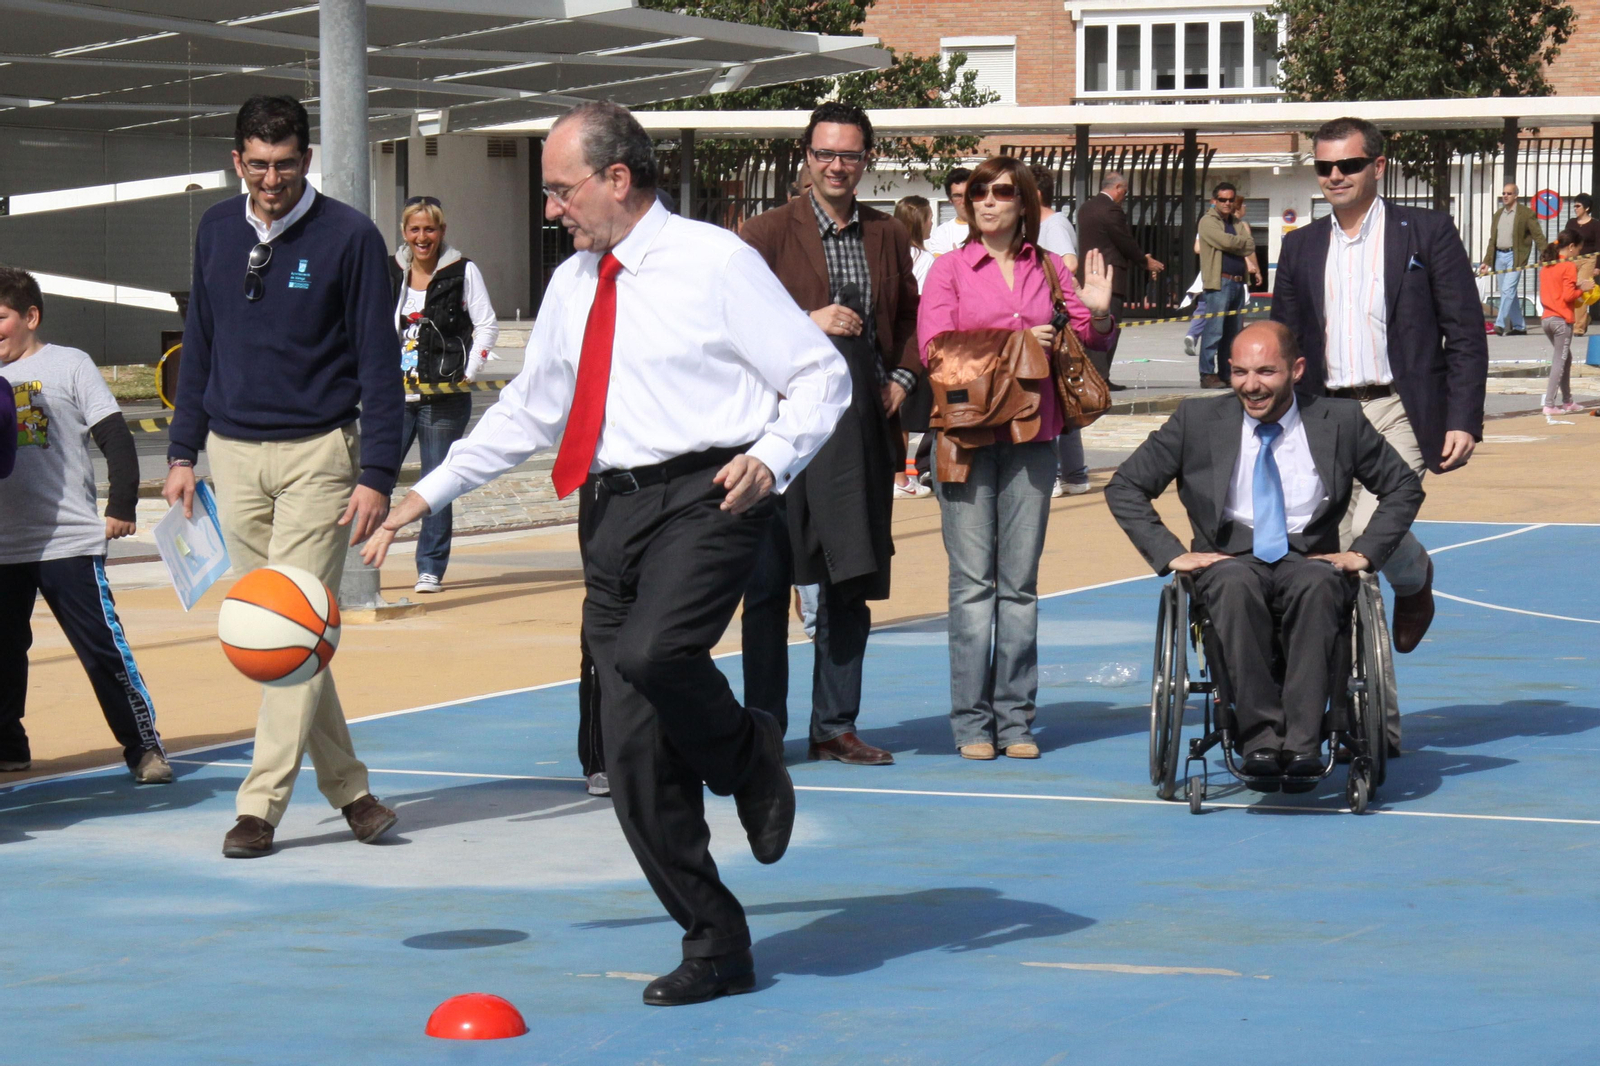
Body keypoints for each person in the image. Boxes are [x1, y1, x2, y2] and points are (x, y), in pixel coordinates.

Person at [363, 101, 849, 1006]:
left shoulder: (715, 261)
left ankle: (750, 757)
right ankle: (716, 939)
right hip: (612, 511)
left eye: (560, 189)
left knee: (656, 651)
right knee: (628, 755)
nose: (553, 209)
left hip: (712, 494)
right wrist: (423, 495)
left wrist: (773, 458)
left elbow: (819, 374)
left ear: (616, 179)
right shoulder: (576, 284)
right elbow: (530, 413)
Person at [163, 95, 403, 858]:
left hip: (319, 459)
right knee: (288, 634)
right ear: (237, 161)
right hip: (232, 458)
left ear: (307, 160)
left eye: (287, 164)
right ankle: (353, 793)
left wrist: (377, 473)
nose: (272, 180)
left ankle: (258, 806)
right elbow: (198, 344)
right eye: (259, 165)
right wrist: (180, 452)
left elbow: (378, 363)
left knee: (287, 626)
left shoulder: (350, 238)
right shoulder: (214, 230)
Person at [1105, 322, 1423, 786]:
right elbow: (1126, 486)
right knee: (1234, 585)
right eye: (1239, 372)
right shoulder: (1195, 421)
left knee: (1318, 586)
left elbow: (1401, 486)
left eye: (1265, 371)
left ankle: (1303, 742)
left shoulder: (1341, 421)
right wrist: (1172, 554)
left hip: (1307, 558)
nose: (1250, 385)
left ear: (1296, 370)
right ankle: (1258, 739)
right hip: (1228, 559)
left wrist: (1364, 554)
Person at [1271, 116, 1488, 761]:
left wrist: (1462, 417)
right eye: (1325, 167)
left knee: (1358, 544)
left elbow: (1465, 332)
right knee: (1336, 552)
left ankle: (1376, 726)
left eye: (1349, 165)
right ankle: (1415, 577)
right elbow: (1283, 338)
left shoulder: (1425, 232)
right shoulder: (1301, 246)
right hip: (1321, 413)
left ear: (1378, 166)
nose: (1335, 176)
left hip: (1397, 406)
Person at [917, 156, 1116, 760]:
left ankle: (1015, 718)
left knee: (1019, 585)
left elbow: (1087, 339)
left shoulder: (1052, 268)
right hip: (967, 439)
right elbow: (936, 350)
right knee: (973, 585)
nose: (988, 200)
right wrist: (1019, 345)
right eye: (979, 191)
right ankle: (973, 722)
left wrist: (1100, 311)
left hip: (1034, 436)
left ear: (1024, 201)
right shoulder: (949, 270)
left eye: (1002, 191)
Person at [739, 101, 918, 767]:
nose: (837, 166)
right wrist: (806, 321)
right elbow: (731, 326)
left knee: (850, 579)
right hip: (778, 432)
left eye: (850, 154)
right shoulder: (761, 234)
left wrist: (901, 375)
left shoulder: (886, 233)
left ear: (866, 159)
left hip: (858, 430)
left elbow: (906, 317)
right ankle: (762, 730)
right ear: (806, 158)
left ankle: (834, 725)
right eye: (825, 154)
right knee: (766, 585)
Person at [0, 267, 171, 783]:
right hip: (3, 546)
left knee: (100, 646)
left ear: (30, 316)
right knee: (4, 653)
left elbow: (115, 436)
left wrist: (121, 503)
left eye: (0, 318)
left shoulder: (68, 364)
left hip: (68, 541)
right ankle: (9, 744)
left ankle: (144, 748)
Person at [388, 195, 499, 594]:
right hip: (395, 396)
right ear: (405, 233)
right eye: (415, 229)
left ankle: (430, 567)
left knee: (437, 482)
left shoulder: (462, 270)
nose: (422, 237)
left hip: (444, 398)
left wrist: (469, 370)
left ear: (441, 232)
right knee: (375, 478)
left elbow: (486, 325)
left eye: (429, 229)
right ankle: (360, 561)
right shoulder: (391, 270)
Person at [1031, 167, 1091, 498]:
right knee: (1063, 400)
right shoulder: (1046, 224)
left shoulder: (1052, 224)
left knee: (1054, 399)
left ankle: (1056, 473)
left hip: (1055, 323)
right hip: (1054, 322)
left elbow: (1068, 262)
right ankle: (1074, 473)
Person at [1075, 171, 1164, 387]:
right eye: (1124, 190)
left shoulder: (1086, 207)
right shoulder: (1111, 210)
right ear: (1117, 188)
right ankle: (1101, 379)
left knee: (1090, 328)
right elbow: (1124, 241)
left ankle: (1090, 376)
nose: (1125, 195)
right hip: (1109, 281)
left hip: (1088, 278)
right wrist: (1145, 261)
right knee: (1108, 327)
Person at [1196, 182, 1261, 388]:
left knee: (1232, 334)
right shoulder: (1208, 221)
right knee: (1214, 330)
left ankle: (1225, 373)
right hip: (1219, 282)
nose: (1227, 203)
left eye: (1230, 200)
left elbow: (1250, 244)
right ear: (1214, 201)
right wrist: (1239, 243)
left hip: (1238, 283)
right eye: (1222, 200)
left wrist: (1238, 243)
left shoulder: (1237, 222)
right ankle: (1207, 373)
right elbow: (1226, 242)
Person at [893, 194, 936, 499]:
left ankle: (895, 473)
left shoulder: (887, 253)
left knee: (896, 410)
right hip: (914, 337)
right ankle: (901, 477)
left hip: (889, 336)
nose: (933, 221)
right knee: (909, 409)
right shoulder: (925, 260)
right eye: (930, 216)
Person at [1539, 232, 1594, 415]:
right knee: (1559, 361)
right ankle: (1549, 403)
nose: (1577, 254)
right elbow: (1568, 296)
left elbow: (1554, 291)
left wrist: (1575, 286)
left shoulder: (1547, 265)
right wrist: (1582, 289)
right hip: (1561, 320)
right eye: (1577, 250)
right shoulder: (1568, 266)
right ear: (1571, 247)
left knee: (1566, 358)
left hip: (1547, 318)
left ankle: (1568, 401)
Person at [1480, 182, 1545, 336]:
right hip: (1499, 256)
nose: (1505, 196)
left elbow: (1538, 235)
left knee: (1508, 289)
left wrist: (1546, 253)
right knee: (1507, 292)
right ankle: (1519, 326)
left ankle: (1500, 323)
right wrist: (1487, 261)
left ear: (1516, 195)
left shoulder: (1526, 213)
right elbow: (1492, 240)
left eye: (1509, 193)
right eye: (1503, 193)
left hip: (1515, 256)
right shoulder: (1498, 214)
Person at [1560, 193, 1596, 335]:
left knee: (1581, 289)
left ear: (1586, 208)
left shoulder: (1595, 224)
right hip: (1571, 259)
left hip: (1588, 260)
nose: (1575, 208)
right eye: (1574, 205)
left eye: (1578, 206)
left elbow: (1598, 246)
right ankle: (1580, 319)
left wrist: (1597, 266)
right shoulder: (1571, 223)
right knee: (1570, 289)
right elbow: (1563, 240)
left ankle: (1578, 327)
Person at [925, 167, 973, 255]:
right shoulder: (942, 233)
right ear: (950, 199)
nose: (964, 201)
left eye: (968, 195)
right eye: (958, 196)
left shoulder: (991, 228)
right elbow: (941, 266)